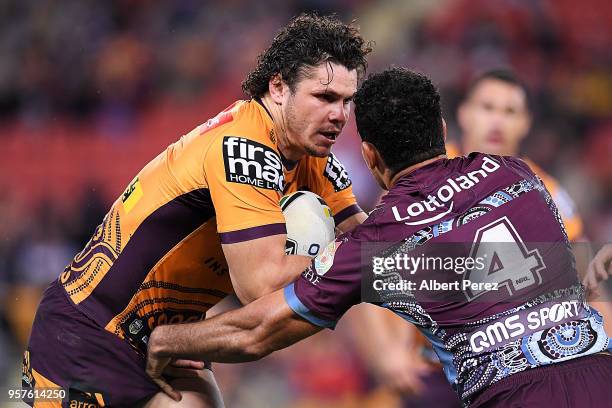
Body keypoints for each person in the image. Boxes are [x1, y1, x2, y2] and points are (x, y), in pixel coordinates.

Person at [146, 68, 612, 408]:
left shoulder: (376, 244)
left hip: (507, 397)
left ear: (369, 156)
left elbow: (257, 331)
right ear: (444, 131)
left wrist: (169, 339)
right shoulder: (522, 177)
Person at [22, 13, 371, 408]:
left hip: (171, 343)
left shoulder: (312, 155)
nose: (340, 115)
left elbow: (372, 240)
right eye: (324, 98)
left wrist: (441, 260)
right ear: (278, 87)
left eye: (347, 101)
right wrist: (358, 259)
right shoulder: (244, 147)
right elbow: (262, 283)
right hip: (85, 336)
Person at [352, 69, 603, 408]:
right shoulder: (419, 175)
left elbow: (586, 281)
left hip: (522, 369)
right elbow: (370, 274)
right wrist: (387, 354)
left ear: (526, 123)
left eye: (509, 111)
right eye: (487, 107)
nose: (497, 121)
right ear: (463, 114)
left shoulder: (546, 190)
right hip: (435, 371)